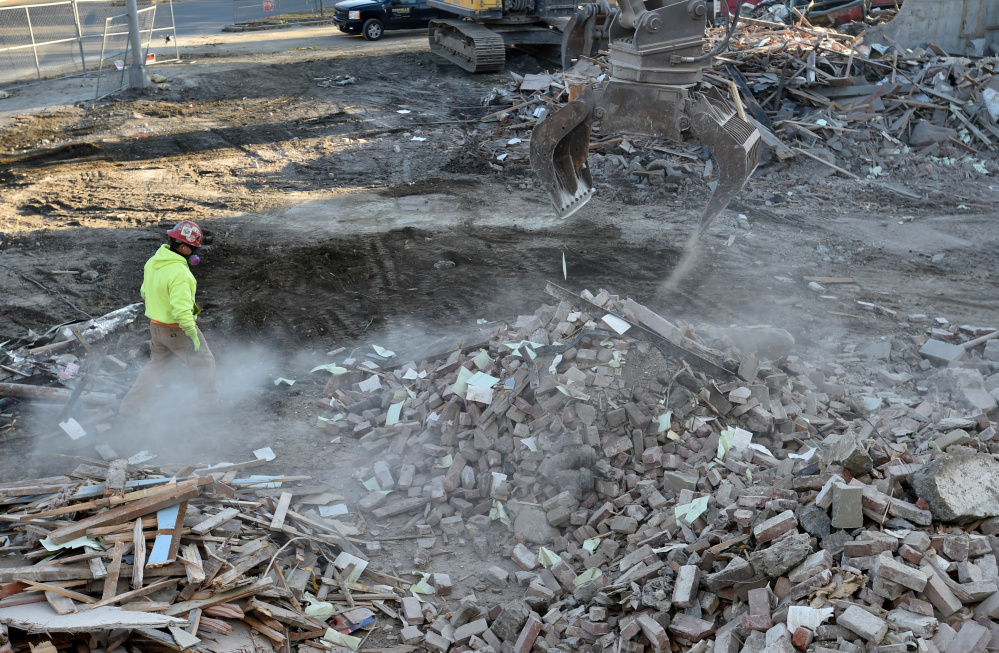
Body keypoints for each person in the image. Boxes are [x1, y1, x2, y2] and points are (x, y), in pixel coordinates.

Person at [118, 220, 220, 416]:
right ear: (183, 247)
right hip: (177, 329)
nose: (195, 253)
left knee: (154, 368)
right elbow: (181, 312)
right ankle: (210, 407)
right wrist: (192, 335)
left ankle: (129, 409)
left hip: (156, 328)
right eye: (193, 249)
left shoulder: (152, 263)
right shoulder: (180, 273)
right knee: (204, 362)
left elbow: (144, 293)